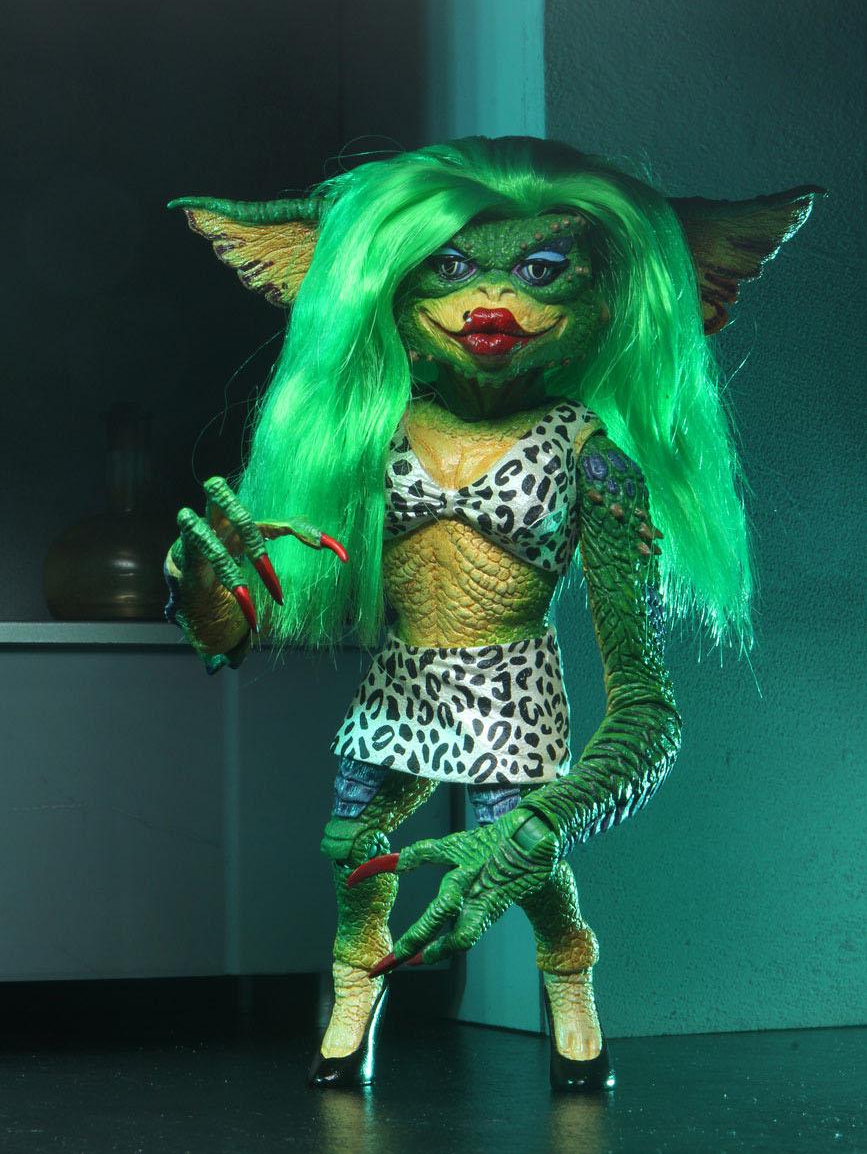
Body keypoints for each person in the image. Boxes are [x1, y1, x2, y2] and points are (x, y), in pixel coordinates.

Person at [164, 136, 819, 1089]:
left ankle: (569, 971)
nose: (491, 301)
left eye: (542, 270)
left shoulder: (595, 462)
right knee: (350, 847)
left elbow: (647, 710)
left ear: (607, 300)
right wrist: (199, 592)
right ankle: (355, 985)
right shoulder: (363, 441)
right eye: (450, 268)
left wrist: (546, 823)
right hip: (399, 682)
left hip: (512, 689)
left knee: (523, 864)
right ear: (386, 289)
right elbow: (242, 630)